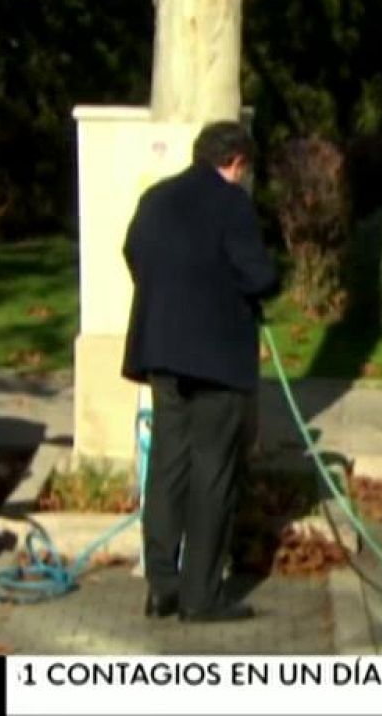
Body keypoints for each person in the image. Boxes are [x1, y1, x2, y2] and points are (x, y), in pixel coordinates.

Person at [121, 120, 281, 623]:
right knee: (214, 474)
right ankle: (200, 596)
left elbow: (134, 252)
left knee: (168, 467)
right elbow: (258, 275)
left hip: (163, 353)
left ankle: (161, 586)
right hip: (218, 360)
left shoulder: (157, 198)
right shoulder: (232, 203)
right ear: (236, 163)